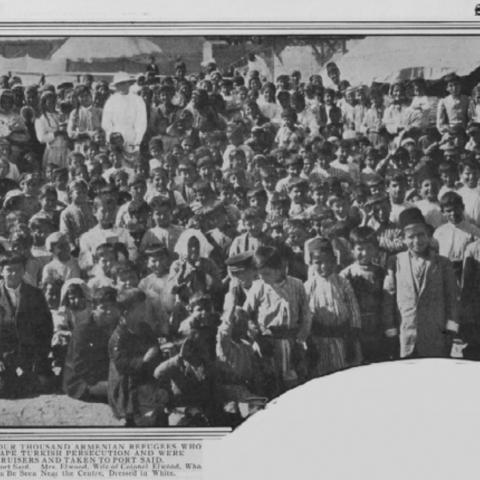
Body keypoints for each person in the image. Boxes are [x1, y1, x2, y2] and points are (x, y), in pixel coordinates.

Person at [383, 208, 459, 359]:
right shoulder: (395, 262)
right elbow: (388, 299)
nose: (417, 241)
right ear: (404, 239)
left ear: (428, 236)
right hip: (406, 336)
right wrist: (391, 330)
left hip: (436, 335)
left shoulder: (442, 263)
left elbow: (452, 299)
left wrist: (451, 330)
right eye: (411, 237)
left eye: (421, 235)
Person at [243, 246, 311, 394]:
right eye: (260, 274)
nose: (263, 278)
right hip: (267, 343)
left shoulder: (297, 285)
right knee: (269, 383)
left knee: (291, 384)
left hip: (291, 343)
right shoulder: (258, 287)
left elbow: (306, 315)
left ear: (280, 268)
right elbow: (245, 315)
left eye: (266, 274)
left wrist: (300, 341)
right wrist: (257, 338)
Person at [108, 288, 168, 426]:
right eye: (141, 309)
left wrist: (156, 349)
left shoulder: (144, 327)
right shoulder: (118, 337)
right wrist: (145, 359)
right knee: (141, 409)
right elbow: (121, 364)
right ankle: (135, 415)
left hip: (143, 374)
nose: (145, 312)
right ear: (126, 313)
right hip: (127, 381)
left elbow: (153, 343)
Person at [304, 238, 362, 377]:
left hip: (344, 341)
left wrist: (351, 343)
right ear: (311, 263)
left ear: (335, 261)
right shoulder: (307, 287)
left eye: (328, 261)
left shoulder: (343, 283)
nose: (324, 266)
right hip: (319, 344)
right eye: (318, 262)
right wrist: (310, 345)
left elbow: (354, 315)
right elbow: (304, 318)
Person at [0, 251, 53, 397]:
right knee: (3, 389)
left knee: (40, 386)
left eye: (18, 270)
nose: (14, 274)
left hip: (30, 354)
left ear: (24, 271)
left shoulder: (35, 294)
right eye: (9, 270)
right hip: (4, 355)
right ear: (1, 271)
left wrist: (40, 357)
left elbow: (46, 329)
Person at [63, 287, 120, 403]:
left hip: (109, 376)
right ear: (93, 308)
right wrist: (111, 378)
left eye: (113, 306)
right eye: (103, 307)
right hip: (83, 382)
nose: (109, 311)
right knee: (123, 389)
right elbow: (80, 367)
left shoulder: (118, 326)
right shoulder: (83, 331)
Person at [340, 227, 387, 363]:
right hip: (357, 327)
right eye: (360, 249)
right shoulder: (346, 274)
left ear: (376, 251)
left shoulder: (381, 273)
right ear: (352, 250)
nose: (365, 253)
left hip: (378, 326)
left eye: (369, 248)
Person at [101, 72, 147, 155]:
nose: (122, 86)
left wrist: (137, 142)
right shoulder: (111, 101)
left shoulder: (137, 100)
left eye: (124, 83)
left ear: (129, 84)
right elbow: (106, 122)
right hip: (115, 135)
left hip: (132, 135)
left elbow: (141, 122)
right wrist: (109, 139)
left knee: (131, 160)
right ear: (116, 86)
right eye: (119, 84)